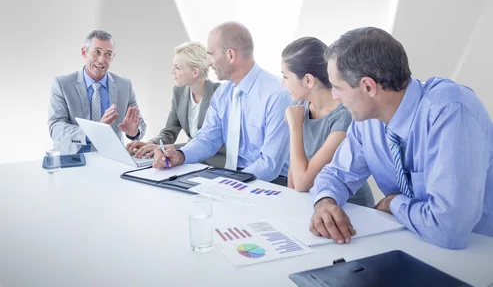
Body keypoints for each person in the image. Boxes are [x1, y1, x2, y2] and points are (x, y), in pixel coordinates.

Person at [310, 27, 493, 250]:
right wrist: (325, 203)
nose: (335, 97)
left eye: (338, 88)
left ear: (368, 86)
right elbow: (336, 174)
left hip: (477, 254)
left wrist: (394, 202)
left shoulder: (451, 110)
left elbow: (449, 229)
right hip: (412, 242)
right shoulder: (366, 121)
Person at [153, 22, 292, 183]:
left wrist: (228, 183)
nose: (208, 63)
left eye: (211, 54)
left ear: (230, 55)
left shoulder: (277, 94)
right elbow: (207, 139)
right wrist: (181, 155)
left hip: (272, 183)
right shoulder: (222, 94)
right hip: (231, 178)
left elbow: (270, 165)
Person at [281, 36, 374, 206]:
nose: (283, 84)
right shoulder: (300, 106)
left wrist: (295, 127)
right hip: (311, 201)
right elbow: (294, 180)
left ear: (308, 80)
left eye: (286, 77)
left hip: (348, 208)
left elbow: (303, 182)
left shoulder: (344, 117)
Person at [126, 41, 224, 166]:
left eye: (177, 67)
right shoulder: (179, 91)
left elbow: (210, 143)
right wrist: (153, 144)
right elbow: (169, 131)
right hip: (190, 163)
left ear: (195, 72)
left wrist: (173, 148)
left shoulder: (220, 94)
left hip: (214, 164)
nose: (172, 71)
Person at [48, 30, 146, 152]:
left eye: (108, 54)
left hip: (113, 160)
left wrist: (134, 132)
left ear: (113, 57)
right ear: (84, 52)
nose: (101, 60)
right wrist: (93, 132)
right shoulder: (62, 84)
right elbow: (55, 128)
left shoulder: (125, 85)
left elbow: (140, 125)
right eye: (97, 52)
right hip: (74, 162)